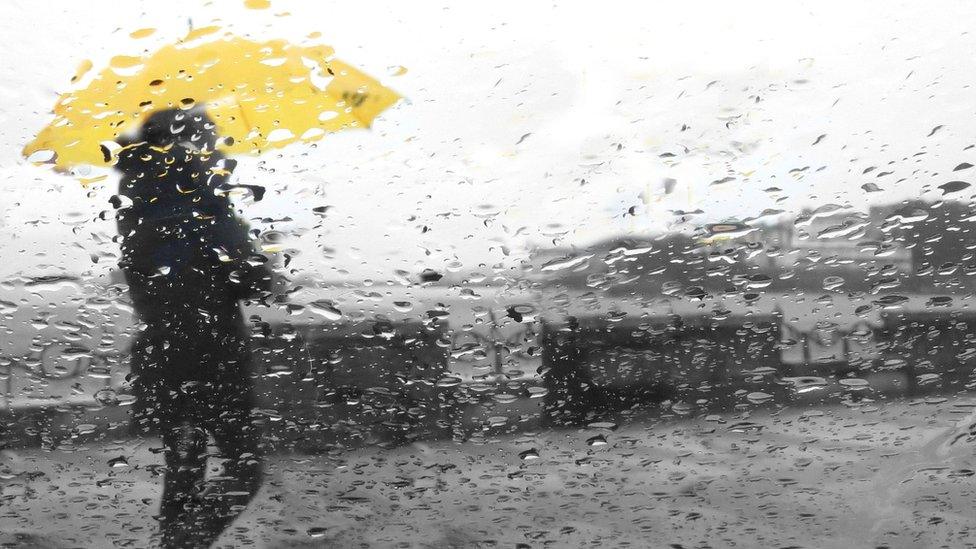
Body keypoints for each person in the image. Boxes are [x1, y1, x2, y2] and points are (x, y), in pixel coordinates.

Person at [114, 108, 272, 548]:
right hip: (213, 354)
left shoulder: (135, 204)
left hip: (161, 353)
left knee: (184, 470)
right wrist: (256, 252)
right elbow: (254, 280)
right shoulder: (204, 206)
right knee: (244, 468)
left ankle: (175, 540)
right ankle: (185, 542)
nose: (216, 150)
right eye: (208, 140)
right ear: (185, 145)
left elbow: (153, 282)